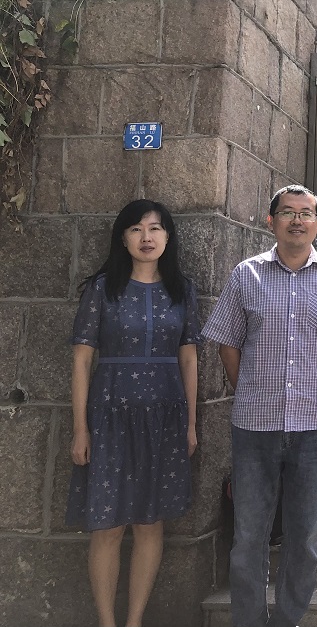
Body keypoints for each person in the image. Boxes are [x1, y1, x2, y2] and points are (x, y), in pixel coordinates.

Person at [202, 185, 317, 627]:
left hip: (314, 426)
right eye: (287, 212)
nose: (296, 220)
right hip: (254, 426)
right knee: (249, 536)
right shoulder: (247, 275)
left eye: (305, 213)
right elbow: (227, 342)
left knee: (304, 537)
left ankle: (287, 619)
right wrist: (249, 389)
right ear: (271, 221)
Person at [67, 199, 201, 627]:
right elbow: (82, 360)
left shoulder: (183, 290)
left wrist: (191, 424)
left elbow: (189, 359)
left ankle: (134, 621)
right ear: (122, 238)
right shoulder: (102, 289)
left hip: (164, 418)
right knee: (107, 525)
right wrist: (80, 428)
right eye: (136, 229)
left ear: (168, 237)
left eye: (156, 228)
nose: (147, 237)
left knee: (149, 523)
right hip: (109, 415)